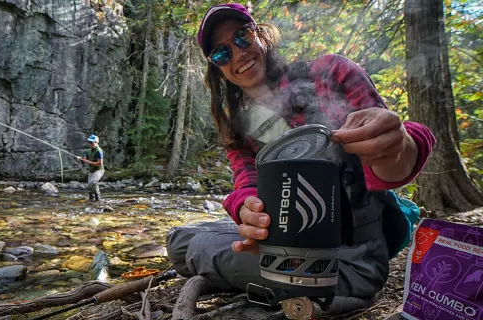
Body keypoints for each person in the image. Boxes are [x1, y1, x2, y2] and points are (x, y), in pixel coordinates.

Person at [163, 3, 435, 304]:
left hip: (351, 260)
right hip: (286, 246)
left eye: (243, 37)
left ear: (261, 36)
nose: (238, 54)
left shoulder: (329, 73)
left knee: (190, 245)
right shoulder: (241, 128)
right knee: (181, 237)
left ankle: (337, 292)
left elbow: (392, 162)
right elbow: (246, 186)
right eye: (222, 53)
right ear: (219, 70)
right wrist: (245, 210)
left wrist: (398, 145)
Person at [75, 135, 105, 202]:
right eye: (89, 142)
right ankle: (91, 198)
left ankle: (98, 198)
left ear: (96, 142)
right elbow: (84, 160)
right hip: (91, 170)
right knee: (89, 186)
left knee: (93, 182)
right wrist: (81, 159)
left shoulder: (99, 151)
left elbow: (100, 163)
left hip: (99, 170)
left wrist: (88, 162)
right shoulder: (88, 151)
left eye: (92, 142)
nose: (90, 144)